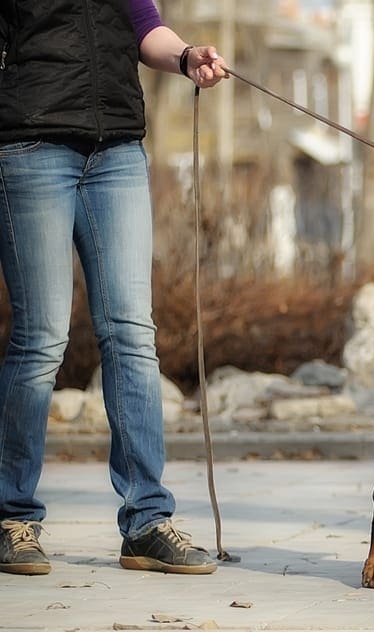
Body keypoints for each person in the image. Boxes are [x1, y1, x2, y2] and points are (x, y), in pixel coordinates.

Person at [0, 1, 229, 575]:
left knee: (132, 334)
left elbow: (145, 27)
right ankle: (11, 517)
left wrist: (184, 55)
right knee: (42, 339)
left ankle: (147, 521)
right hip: (30, 146)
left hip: (118, 152)